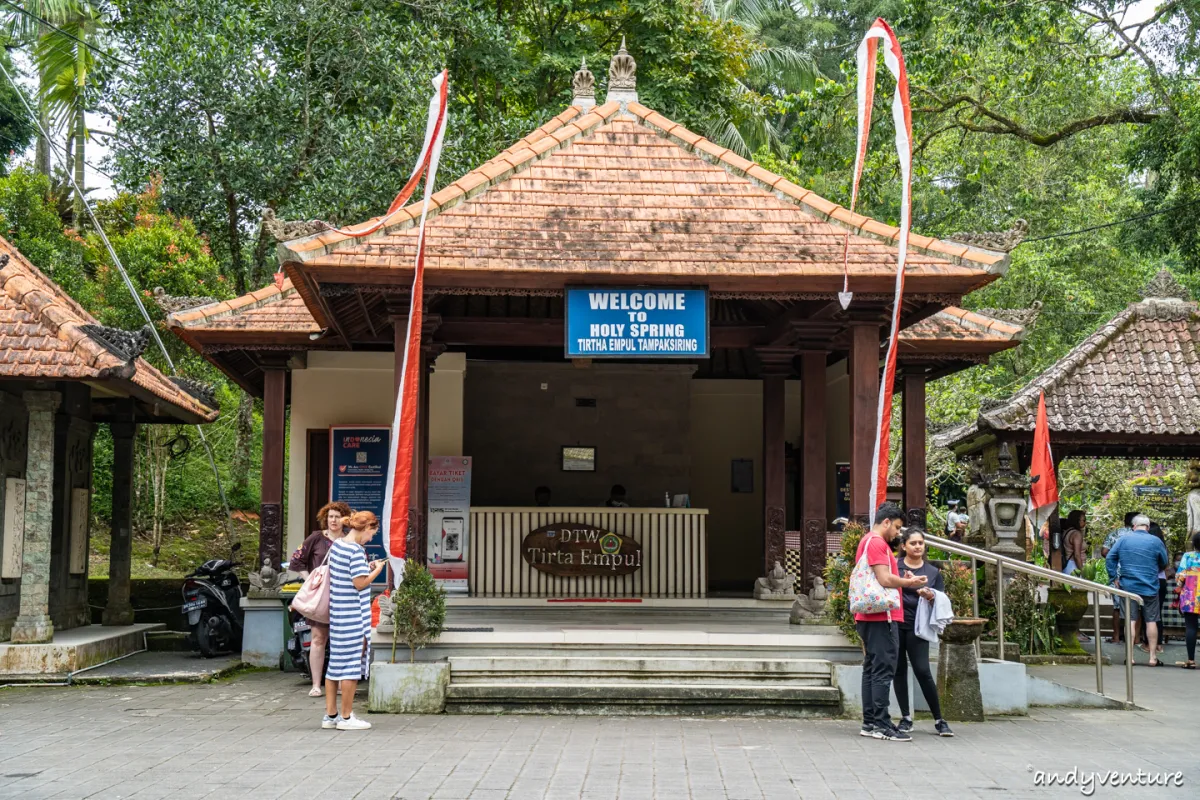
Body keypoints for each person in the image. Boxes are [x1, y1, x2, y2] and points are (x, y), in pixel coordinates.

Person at [856, 502, 928, 742]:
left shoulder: (866, 541)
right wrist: (911, 583)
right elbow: (885, 579)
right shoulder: (877, 543)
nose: (898, 533)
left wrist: (903, 578)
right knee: (883, 669)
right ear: (886, 522)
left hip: (868, 615)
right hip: (881, 615)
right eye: (897, 527)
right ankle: (881, 722)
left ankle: (869, 721)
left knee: (871, 668)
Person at [323, 510, 386, 730]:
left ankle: (330, 716)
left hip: (337, 612)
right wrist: (376, 571)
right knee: (350, 666)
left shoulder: (338, 545)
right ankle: (347, 717)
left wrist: (366, 569)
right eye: (372, 533)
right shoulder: (356, 551)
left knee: (334, 665)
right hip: (353, 615)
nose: (371, 538)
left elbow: (347, 575)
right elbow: (359, 584)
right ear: (366, 528)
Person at [892, 528, 953, 737]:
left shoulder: (933, 571)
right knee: (898, 670)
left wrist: (928, 595)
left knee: (923, 671)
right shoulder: (895, 566)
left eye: (920, 543)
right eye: (913, 543)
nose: (917, 546)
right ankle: (906, 718)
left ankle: (939, 719)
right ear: (903, 546)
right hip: (896, 623)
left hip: (919, 627)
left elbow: (941, 598)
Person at [289, 501, 351, 696]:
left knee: (341, 641)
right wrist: (311, 580)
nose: (333, 520)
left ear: (345, 519)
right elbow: (297, 560)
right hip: (320, 597)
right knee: (318, 639)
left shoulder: (349, 540)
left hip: (342, 595)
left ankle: (341, 683)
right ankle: (316, 684)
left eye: (338, 516)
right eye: (330, 516)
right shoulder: (316, 538)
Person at [1106, 514, 1169, 667]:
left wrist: (1114, 576)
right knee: (1151, 621)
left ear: (1133, 526)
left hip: (1128, 586)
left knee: (1131, 621)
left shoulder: (1124, 540)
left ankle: (1130, 657)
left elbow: (1110, 558)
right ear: (1147, 527)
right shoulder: (1156, 541)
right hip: (1150, 586)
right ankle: (1152, 657)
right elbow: (1165, 562)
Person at [1102, 512, 1138, 644]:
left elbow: (1104, 552)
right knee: (1136, 606)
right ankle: (1136, 639)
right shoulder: (1140, 536)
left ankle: (1116, 637)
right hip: (1136, 576)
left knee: (1117, 608)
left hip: (1118, 576)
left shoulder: (1115, 533)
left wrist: (1115, 560)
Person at [1175, 532, 1200, 669]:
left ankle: (1191, 660)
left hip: (1190, 597)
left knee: (1191, 627)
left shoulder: (1188, 556)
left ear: (1194, 544)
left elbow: (1180, 577)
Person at [1062, 510, 1087, 575]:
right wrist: (1083, 572)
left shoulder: (1067, 531)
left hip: (1069, 565)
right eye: (1084, 520)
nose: (1085, 523)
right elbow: (1077, 555)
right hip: (1075, 567)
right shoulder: (1076, 534)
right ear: (1077, 521)